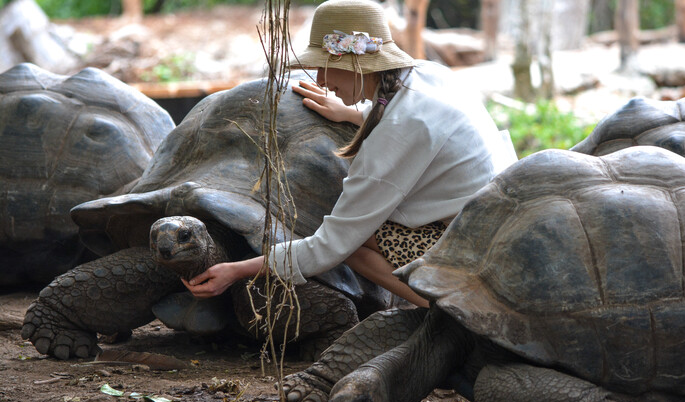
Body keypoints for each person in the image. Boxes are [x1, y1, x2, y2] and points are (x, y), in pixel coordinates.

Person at [184, 0, 516, 308]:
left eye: (326, 66)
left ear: (359, 62)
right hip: (505, 228)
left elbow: (330, 246)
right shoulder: (429, 76)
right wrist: (355, 114)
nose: (320, 80)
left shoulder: (396, 133)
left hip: (478, 253)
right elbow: (420, 128)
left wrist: (238, 270)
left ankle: (454, 310)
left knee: (354, 245)